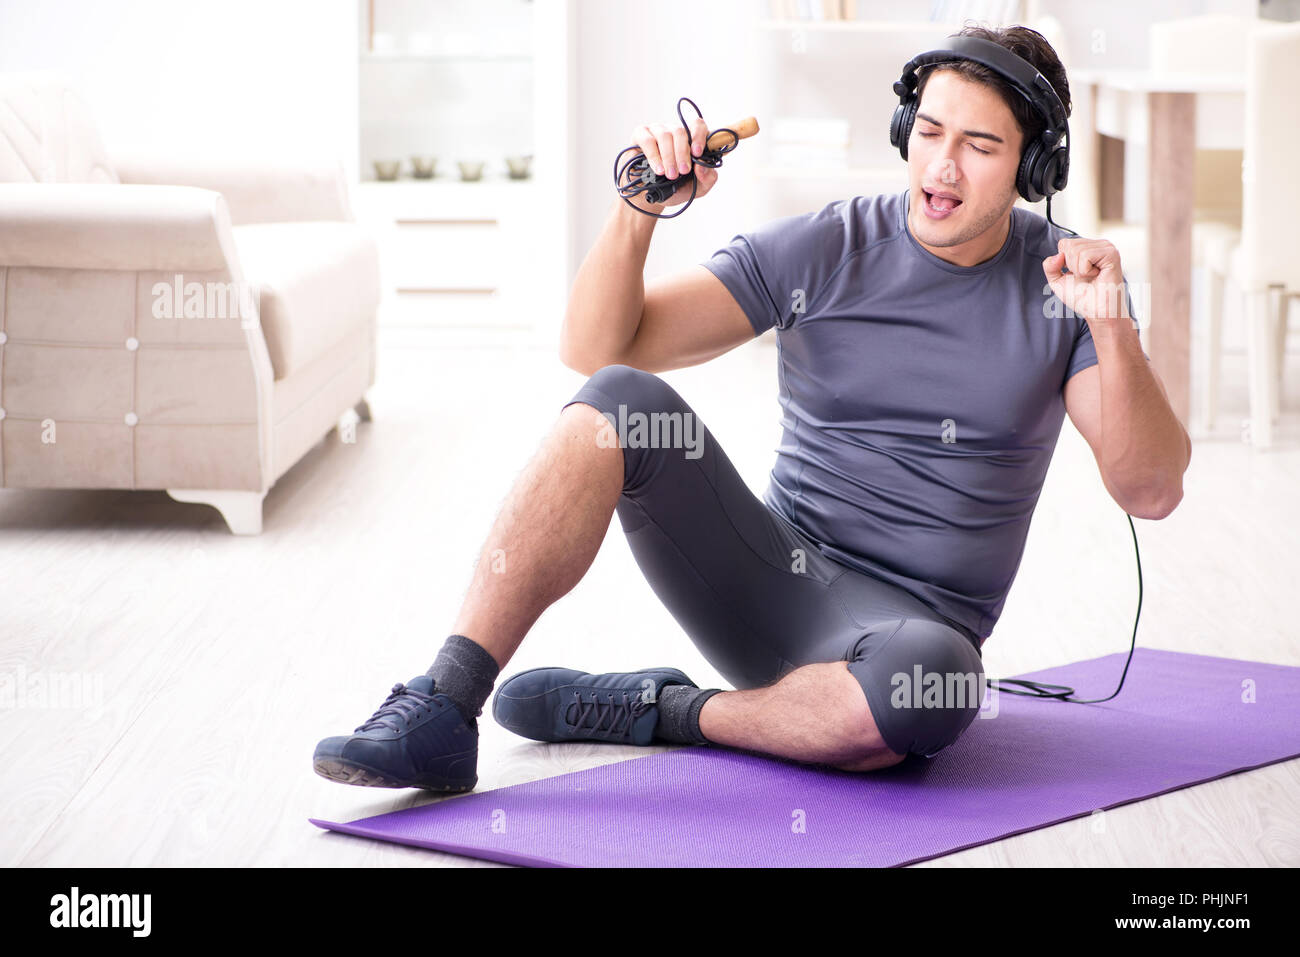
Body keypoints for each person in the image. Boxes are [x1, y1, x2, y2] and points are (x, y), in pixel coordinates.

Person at [313, 24, 1191, 792]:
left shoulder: (1066, 287)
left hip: (910, 639)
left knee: (937, 690)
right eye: (926, 131)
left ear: (1037, 167)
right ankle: (442, 703)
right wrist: (636, 215)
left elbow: (1149, 490)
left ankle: (665, 711)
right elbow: (597, 347)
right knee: (619, 399)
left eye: (981, 146)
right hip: (768, 579)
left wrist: (1114, 331)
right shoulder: (829, 245)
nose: (942, 166)